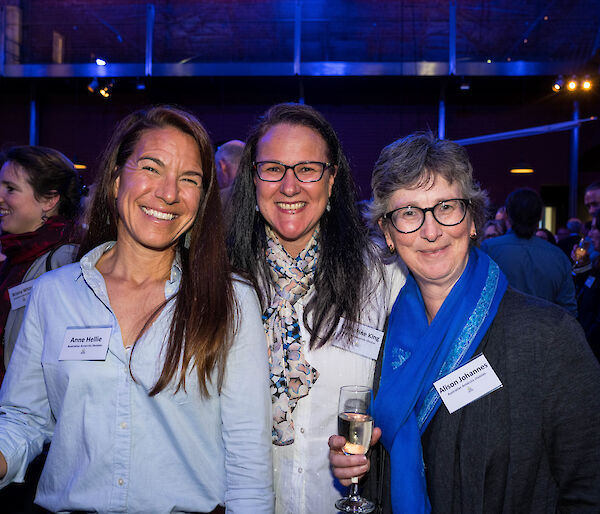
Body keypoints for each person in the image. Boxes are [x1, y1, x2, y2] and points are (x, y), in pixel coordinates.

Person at [0, 106, 273, 513]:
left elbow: (248, 459)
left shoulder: (230, 298)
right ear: (114, 180)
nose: (168, 192)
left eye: (189, 179)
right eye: (151, 167)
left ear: (202, 199)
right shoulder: (54, 293)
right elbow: (23, 417)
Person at [329, 132, 600, 513]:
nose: (430, 230)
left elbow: (589, 491)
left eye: (446, 207)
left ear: (472, 218)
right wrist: (360, 469)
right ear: (388, 234)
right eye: (409, 213)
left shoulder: (549, 338)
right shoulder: (382, 339)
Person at [226, 103, 405, 514]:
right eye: (273, 169)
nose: (290, 187)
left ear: (331, 179)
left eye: (307, 169)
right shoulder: (221, 280)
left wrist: (377, 449)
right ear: (253, 179)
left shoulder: (380, 277)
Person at [0, 146, 83, 380]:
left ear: (49, 200)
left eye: (10, 189)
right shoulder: (18, 254)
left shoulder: (66, 260)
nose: (0, 196)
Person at [481, 188, 577, 317]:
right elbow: (569, 312)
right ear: (540, 216)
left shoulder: (487, 250)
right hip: (547, 334)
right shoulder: (559, 257)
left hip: (500, 333)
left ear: (507, 215)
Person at [574, 213, 600, 359]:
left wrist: (584, 342)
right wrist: (581, 265)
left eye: (595, 228)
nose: (590, 233)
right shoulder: (596, 263)